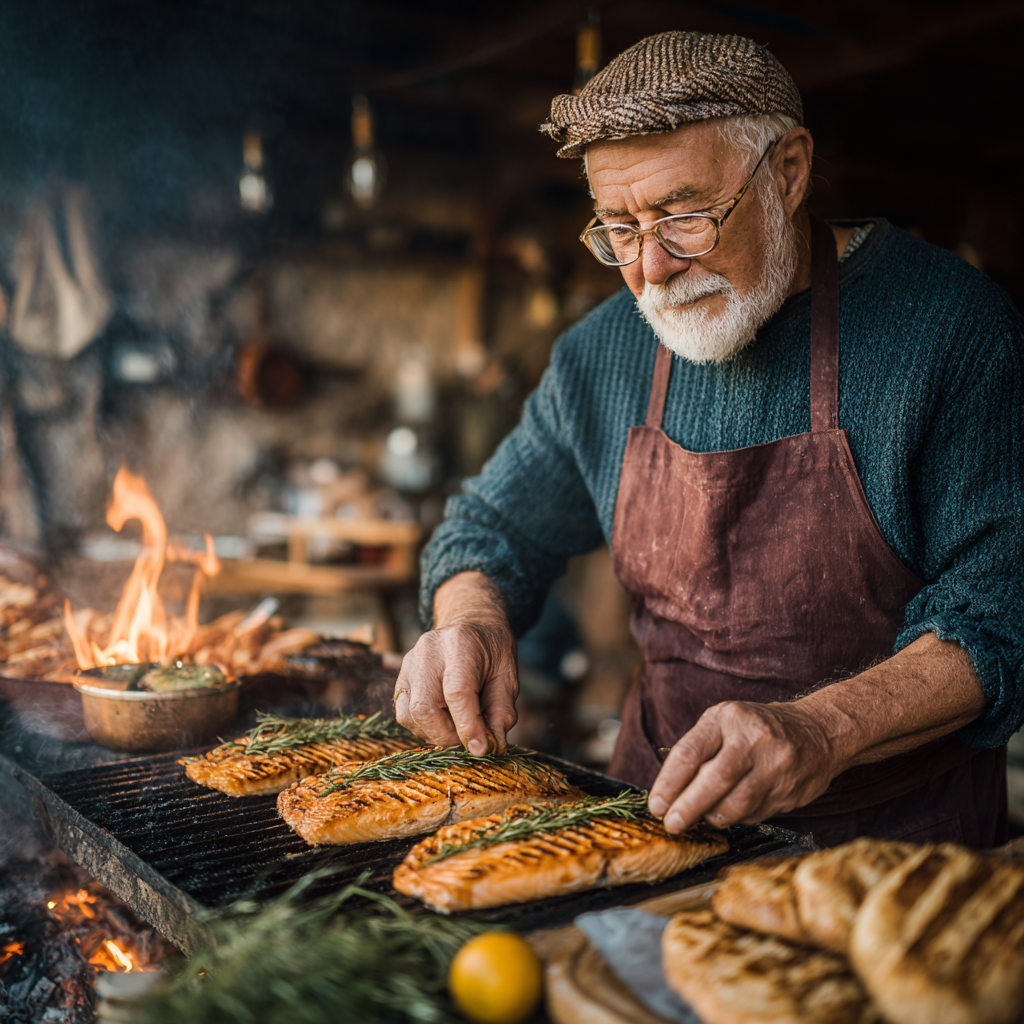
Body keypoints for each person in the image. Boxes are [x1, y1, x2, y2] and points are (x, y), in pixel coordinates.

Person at [394, 31, 1023, 847]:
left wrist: (822, 730)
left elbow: (1004, 605)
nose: (651, 268)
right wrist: (470, 619)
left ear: (789, 172)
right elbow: (488, 528)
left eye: (684, 216)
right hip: (648, 829)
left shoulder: (952, 331)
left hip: (895, 853)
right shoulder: (603, 353)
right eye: (619, 228)